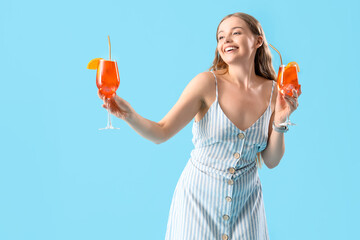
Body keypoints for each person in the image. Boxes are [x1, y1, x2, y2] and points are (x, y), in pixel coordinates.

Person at [99, 12, 299, 240]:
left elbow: (271, 160)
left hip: (247, 206)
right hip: (197, 202)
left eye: (236, 33)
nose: (226, 41)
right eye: (221, 37)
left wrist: (281, 119)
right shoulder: (206, 84)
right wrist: (128, 114)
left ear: (257, 40)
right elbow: (161, 131)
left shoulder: (274, 92)